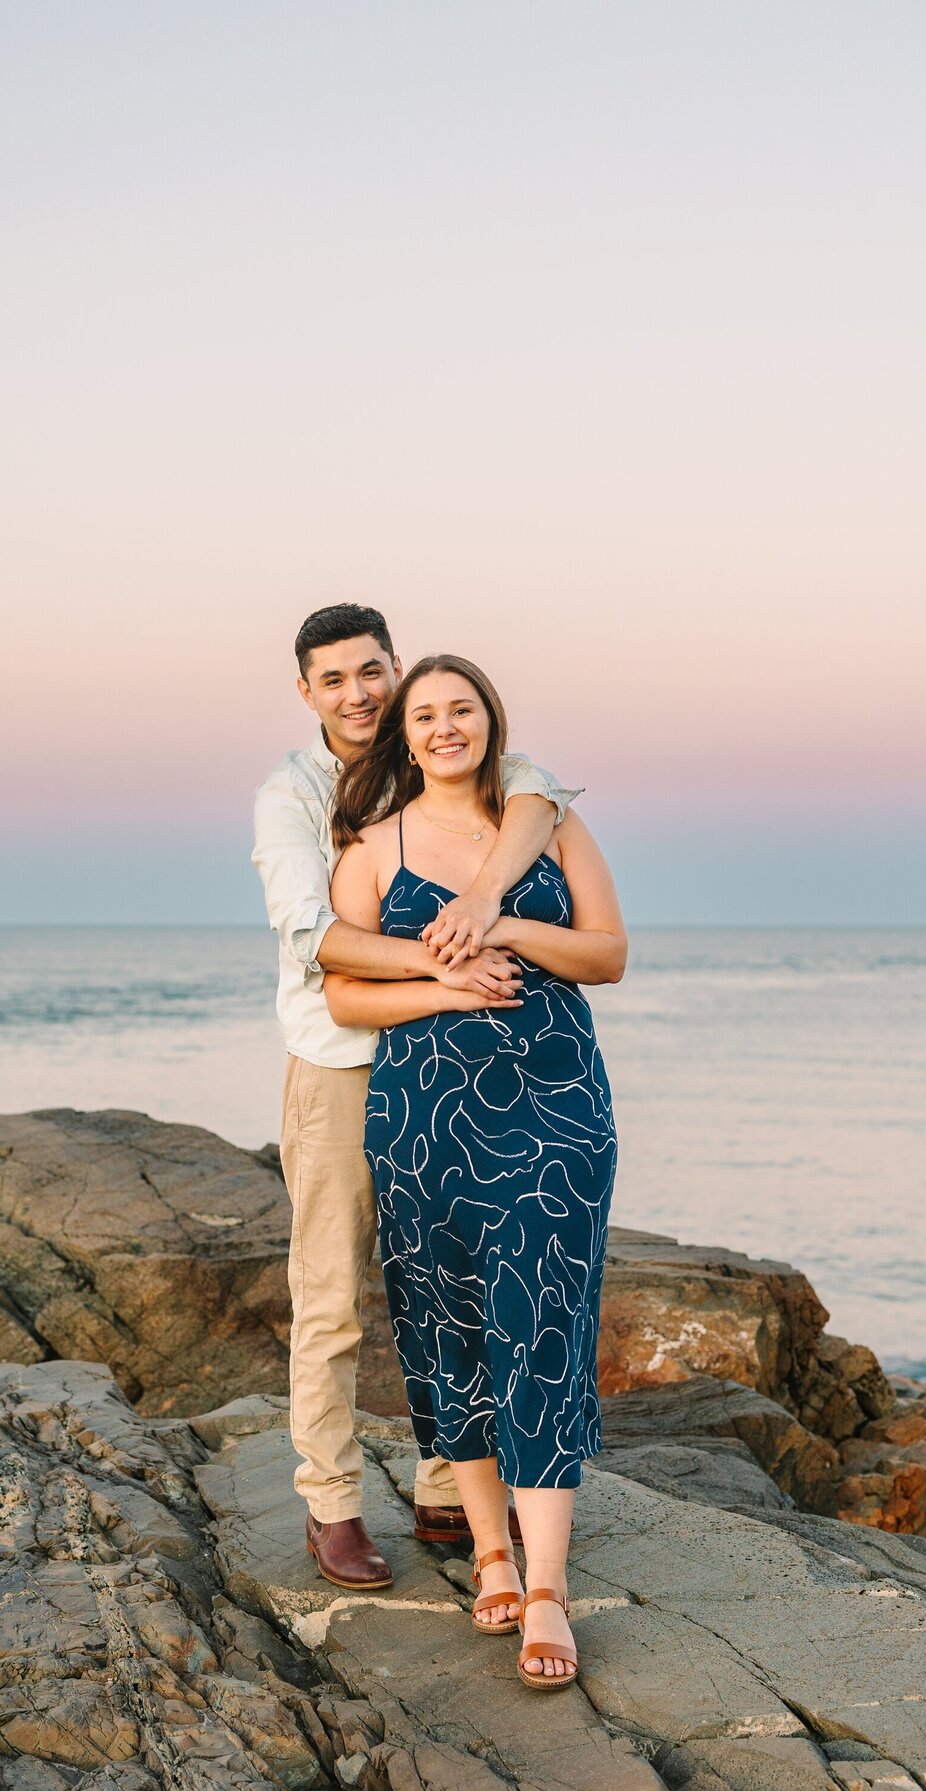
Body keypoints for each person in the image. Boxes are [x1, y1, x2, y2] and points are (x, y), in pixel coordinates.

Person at [253, 606, 578, 1592]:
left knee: (453, 1282)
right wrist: (448, 959)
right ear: (306, 693)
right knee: (336, 1291)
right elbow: (313, 934)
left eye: (371, 672)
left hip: (456, 1068)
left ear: (395, 671)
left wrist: (480, 899)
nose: (358, 693)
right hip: (346, 1062)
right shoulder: (290, 794)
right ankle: (333, 1504)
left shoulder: (436, 751)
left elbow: (540, 795)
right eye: (334, 679)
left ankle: (450, 1487)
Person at [324, 653, 626, 1689]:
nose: (445, 728)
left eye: (463, 710)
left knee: (543, 1319)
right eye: (426, 715)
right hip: (423, 1116)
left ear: (492, 722)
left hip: (556, 1106)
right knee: (449, 1324)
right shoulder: (371, 850)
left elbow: (608, 955)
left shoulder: (550, 824)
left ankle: (546, 1586)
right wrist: (449, 992)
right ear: (404, 737)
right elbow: (344, 996)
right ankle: (488, 1548)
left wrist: (501, 923)